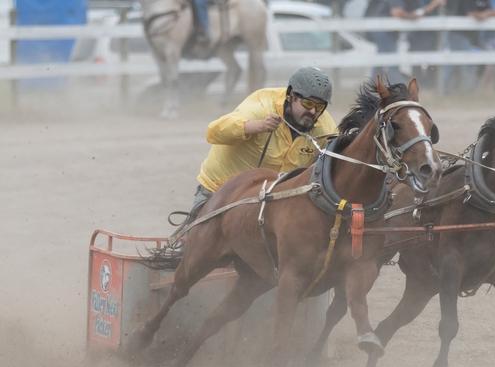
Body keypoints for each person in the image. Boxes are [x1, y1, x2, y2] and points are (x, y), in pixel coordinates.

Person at [190, 67, 337, 214]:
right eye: (308, 104)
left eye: (319, 106)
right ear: (291, 96)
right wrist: (258, 126)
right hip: (219, 192)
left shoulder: (325, 129)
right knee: (198, 237)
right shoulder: (261, 106)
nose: (312, 112)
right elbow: (213, 132)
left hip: (268, 201)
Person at [364, 0, 445, 84]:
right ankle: (398, 86)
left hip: (387, 31)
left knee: (382, 58)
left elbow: (417, 12)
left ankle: (374, 84)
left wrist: (423, 11)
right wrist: (414, 15)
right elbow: (397, 13)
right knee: (390, 61)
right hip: (383, 30)